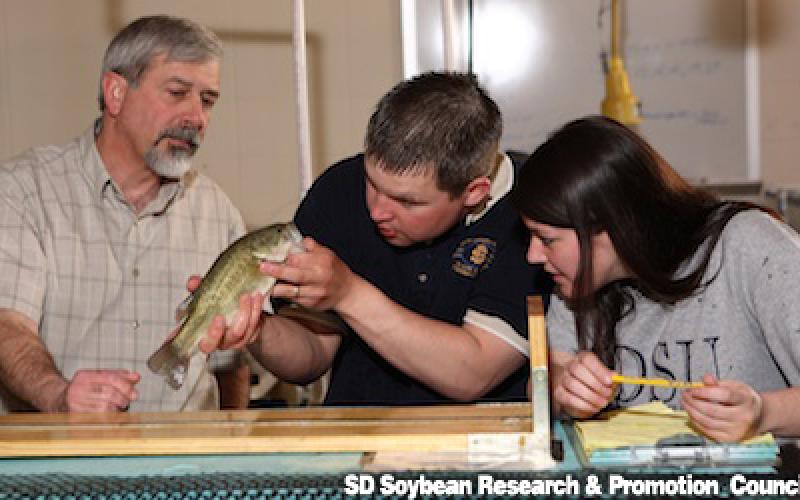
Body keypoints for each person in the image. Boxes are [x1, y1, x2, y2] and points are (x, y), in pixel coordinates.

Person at [201, 71, 551, 405]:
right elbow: (310, 356)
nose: (377, 210)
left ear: (474, 192)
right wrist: (258, 331)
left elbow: (474, 373)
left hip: (479, 450)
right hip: (355, 438)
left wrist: (348, 293)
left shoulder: (531, 217)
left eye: (407, 201)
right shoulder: (339, 189)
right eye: (372, 183)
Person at [0, 15, 251, 413]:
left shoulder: (217, 212)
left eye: (207, 101)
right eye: (176, 92)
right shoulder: (23, 191)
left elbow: (230, 364)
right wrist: (59, 396)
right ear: (115, 93)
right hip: (61, 467)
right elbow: (7, 326)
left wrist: (233, 456)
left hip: (185, 470)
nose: (196, 118)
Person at [511, 115, 800, 441]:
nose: (532, 256)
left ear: (610, 228)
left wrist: (764, 413)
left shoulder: (749, 245)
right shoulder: (576, 283)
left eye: (546, 239)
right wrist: (563, 389)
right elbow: (549, 381)